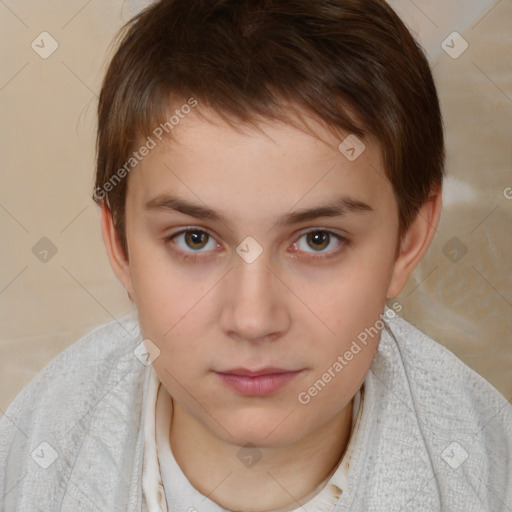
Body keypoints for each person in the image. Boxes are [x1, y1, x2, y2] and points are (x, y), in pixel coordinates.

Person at [1, 0, 511, 510]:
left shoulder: (489, 477)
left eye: (318, 240)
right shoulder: (28, 463)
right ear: (120, 246)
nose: (252, 319)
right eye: (194, 239)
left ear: (408, 241)